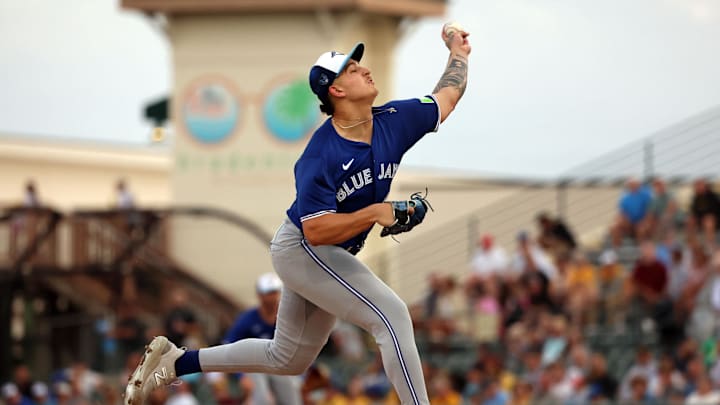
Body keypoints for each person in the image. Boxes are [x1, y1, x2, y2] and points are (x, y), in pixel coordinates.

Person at [125, 25, 471, 405]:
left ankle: (177, 362)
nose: (365, 70)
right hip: (303, 247)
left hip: (328, 252)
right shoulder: (322, 153)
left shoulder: (393, 119)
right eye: (353, 70)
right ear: (335, 91)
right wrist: (376, 211)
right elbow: (317, 230)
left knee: (287, 358)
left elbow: (447, 97)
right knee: (391, 316)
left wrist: (458, 53)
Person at [222, 273, 302, 405]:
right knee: (262, 399)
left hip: (279, 366)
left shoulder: (287, 318)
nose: (273, 297)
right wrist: (241, 376)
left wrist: (301, 375)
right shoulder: (248, 318)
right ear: (260, 295)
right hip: (253, 364)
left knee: (292, 396)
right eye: (268, 293)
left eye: (275, 292)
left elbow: (298, 347)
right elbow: (228, 345)